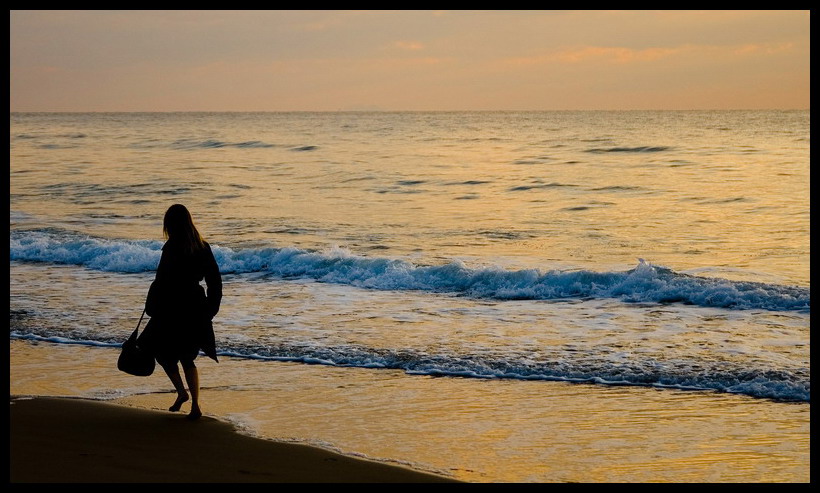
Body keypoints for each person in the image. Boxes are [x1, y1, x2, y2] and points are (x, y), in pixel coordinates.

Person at [139, 204, 222, 420]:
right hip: (194, 307)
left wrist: (152, 306)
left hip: (171, 308)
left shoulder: (171, 247)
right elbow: (215, 280)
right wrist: (211, 308)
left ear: (170, 224)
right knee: (187, 357)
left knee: (162, 353)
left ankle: (182, 393)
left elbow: (160, 281)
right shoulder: (202, 247)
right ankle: (194, 404)